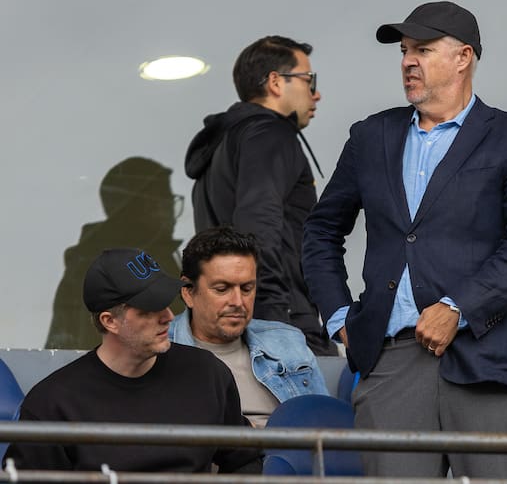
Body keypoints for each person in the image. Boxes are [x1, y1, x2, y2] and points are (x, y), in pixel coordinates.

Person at [302, 1, 507, 478]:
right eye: (403, 51)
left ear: (463, 57)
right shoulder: (370, 136)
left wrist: (459, 306)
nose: (407, 61)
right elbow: (321, 230)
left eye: (422, 49)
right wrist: (340, 316)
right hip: (392, 358)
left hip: (492, 360)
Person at [5, 249, 262, 473]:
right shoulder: (53, 404)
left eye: (167, 302)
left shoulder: (207, 374)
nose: (169, 316)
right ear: (110, 321)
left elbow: (245, 461)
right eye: (149, 308)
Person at [185, 35, 337, 356]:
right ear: (275, 83)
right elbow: (259, 223)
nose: (316, 93)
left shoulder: (224, 145)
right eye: (309, 80)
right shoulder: (270, 134)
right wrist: (272, 319)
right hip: (279, 321)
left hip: (234, 322)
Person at [169, 225, 329, 427]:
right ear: (188, 292)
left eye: (247, 288)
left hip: (289, 453)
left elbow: (327, 425)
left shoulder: (287, 341)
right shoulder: (160, 347)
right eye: (222, 289)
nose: (237, 301)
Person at [46, 156, 184, 349]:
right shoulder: (103, 269)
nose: (170, 213)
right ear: (138, 208)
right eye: (164, 202)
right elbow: (73, 341)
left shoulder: (156, 255)